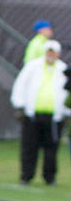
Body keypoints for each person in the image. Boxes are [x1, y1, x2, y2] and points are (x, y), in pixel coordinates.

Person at [11, 39, 67, 185]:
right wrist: (19, 105)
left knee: (51, 148)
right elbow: (21, 85)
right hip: (33, 114)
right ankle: (26, 176)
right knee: (30, 146)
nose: (51, 55)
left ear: (58, 54)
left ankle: (49, 177)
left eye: (53, 52)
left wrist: (66, 111)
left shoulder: (63, 69)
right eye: (48, 52)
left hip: (54, 116)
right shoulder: (33, 66)